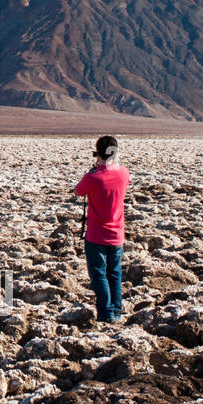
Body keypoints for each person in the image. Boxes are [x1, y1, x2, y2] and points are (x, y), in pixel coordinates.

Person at [74, 135, 129, 323]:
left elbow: (79, 190)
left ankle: (105, 314)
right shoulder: (124, 174)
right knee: (114, 273)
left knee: (99, 275)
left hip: (96, 236)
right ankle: (116, 312)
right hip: (117, 235)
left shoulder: (93, 177)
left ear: (99, 153)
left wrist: (96, 168)